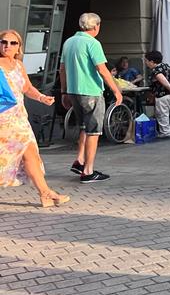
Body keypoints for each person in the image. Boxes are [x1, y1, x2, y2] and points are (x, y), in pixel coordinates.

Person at [0, 30, 70, 207]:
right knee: (7, 157)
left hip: (19, 118)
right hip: (3, 119)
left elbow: (27, 88)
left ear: (18, 47)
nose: (7, 46)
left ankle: (45, 194)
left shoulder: (18, 65)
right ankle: (46, 193)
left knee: (30, 152)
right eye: (4, 42)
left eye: (12, 43)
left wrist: (41, 97)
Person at [61, 12, 121, 183]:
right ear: (96, 26)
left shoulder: (69, 42)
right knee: (94, 131)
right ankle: (88, 171)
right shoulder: (93, 43)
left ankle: (79, 161)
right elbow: (102, 69)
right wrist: (116, 90)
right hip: (91, 91)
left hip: (73, 91)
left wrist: (64, 92)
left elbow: (62, 69)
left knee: (83, 127)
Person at [143, 50, 170, 139]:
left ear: (152, 62)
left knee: (162, 114)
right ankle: (164, 131)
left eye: (146, 61)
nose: (145, 63)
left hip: (164, 95)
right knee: (163, 113)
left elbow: (163, 80)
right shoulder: (165, 66)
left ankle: (165, 132)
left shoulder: (156, 70)